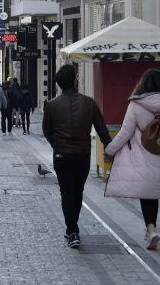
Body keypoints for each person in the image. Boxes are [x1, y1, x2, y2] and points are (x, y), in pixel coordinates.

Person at [103, 68, 160, 251]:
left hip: (141, 158)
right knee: (152, 194)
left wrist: (110, 150)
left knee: (146, 193)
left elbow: (125, 133)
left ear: (143, 82)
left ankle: (151, 230)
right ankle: (150, 229)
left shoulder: (135, 105)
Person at [42, 64, 112, 249]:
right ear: (74, 81)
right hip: (82, 154)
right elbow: (102, 128)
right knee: (77, 191)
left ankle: (72, 230)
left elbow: (47, 131)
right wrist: (110, 148)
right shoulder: (89, 102)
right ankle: (72, 227)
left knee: (66, 192)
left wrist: (56, 145)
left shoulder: (52, 105)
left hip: (62, 155)